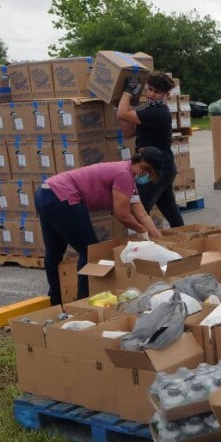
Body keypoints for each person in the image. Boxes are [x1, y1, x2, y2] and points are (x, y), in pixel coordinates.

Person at [34, 148, 164, 305]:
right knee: (90, 251)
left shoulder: (127, 177)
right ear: (137, 161)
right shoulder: (124, 175)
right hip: (63, 196)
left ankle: (56, 301)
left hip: (46, 192)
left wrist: (159, 239)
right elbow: (122, 215)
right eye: (144, 168)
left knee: (54, 252)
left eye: (149, 172)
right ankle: (83, 301)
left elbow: (142, 215)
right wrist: (142, 231)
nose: (144, 174)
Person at [117, 72, 184, 228]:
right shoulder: (148, 110)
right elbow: (128, 132)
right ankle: (185, 240)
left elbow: (121, 113)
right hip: (162, 167)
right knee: (170, 211)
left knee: (140, 209)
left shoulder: (158, 113)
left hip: (156, 169)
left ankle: (143, 246)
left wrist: (127, 92)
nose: (152, 94)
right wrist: (126, 105)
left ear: (166, 94)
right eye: (150, 89)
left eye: (157, 92)